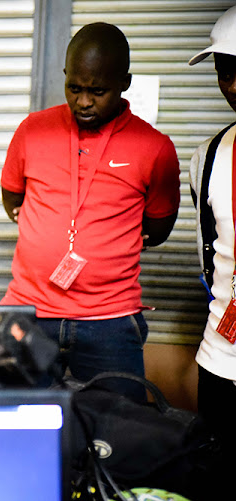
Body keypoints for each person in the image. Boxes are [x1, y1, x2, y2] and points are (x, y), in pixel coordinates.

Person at [0, 22, 180, 400]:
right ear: (65, 77)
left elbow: (158, 227)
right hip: (29, 312)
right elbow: (12, 198)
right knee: (15, 425)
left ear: (124, 82)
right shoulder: (33, 130)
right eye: (75, 88)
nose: (84, 101)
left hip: (110, 321)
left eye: (98, 91)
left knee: (118, 433)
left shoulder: (155, 147)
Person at [188, 4, 236, 473]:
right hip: (220, 360)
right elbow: (210, 251)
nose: (234, 87)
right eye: (226, 72)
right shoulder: (209, 155)